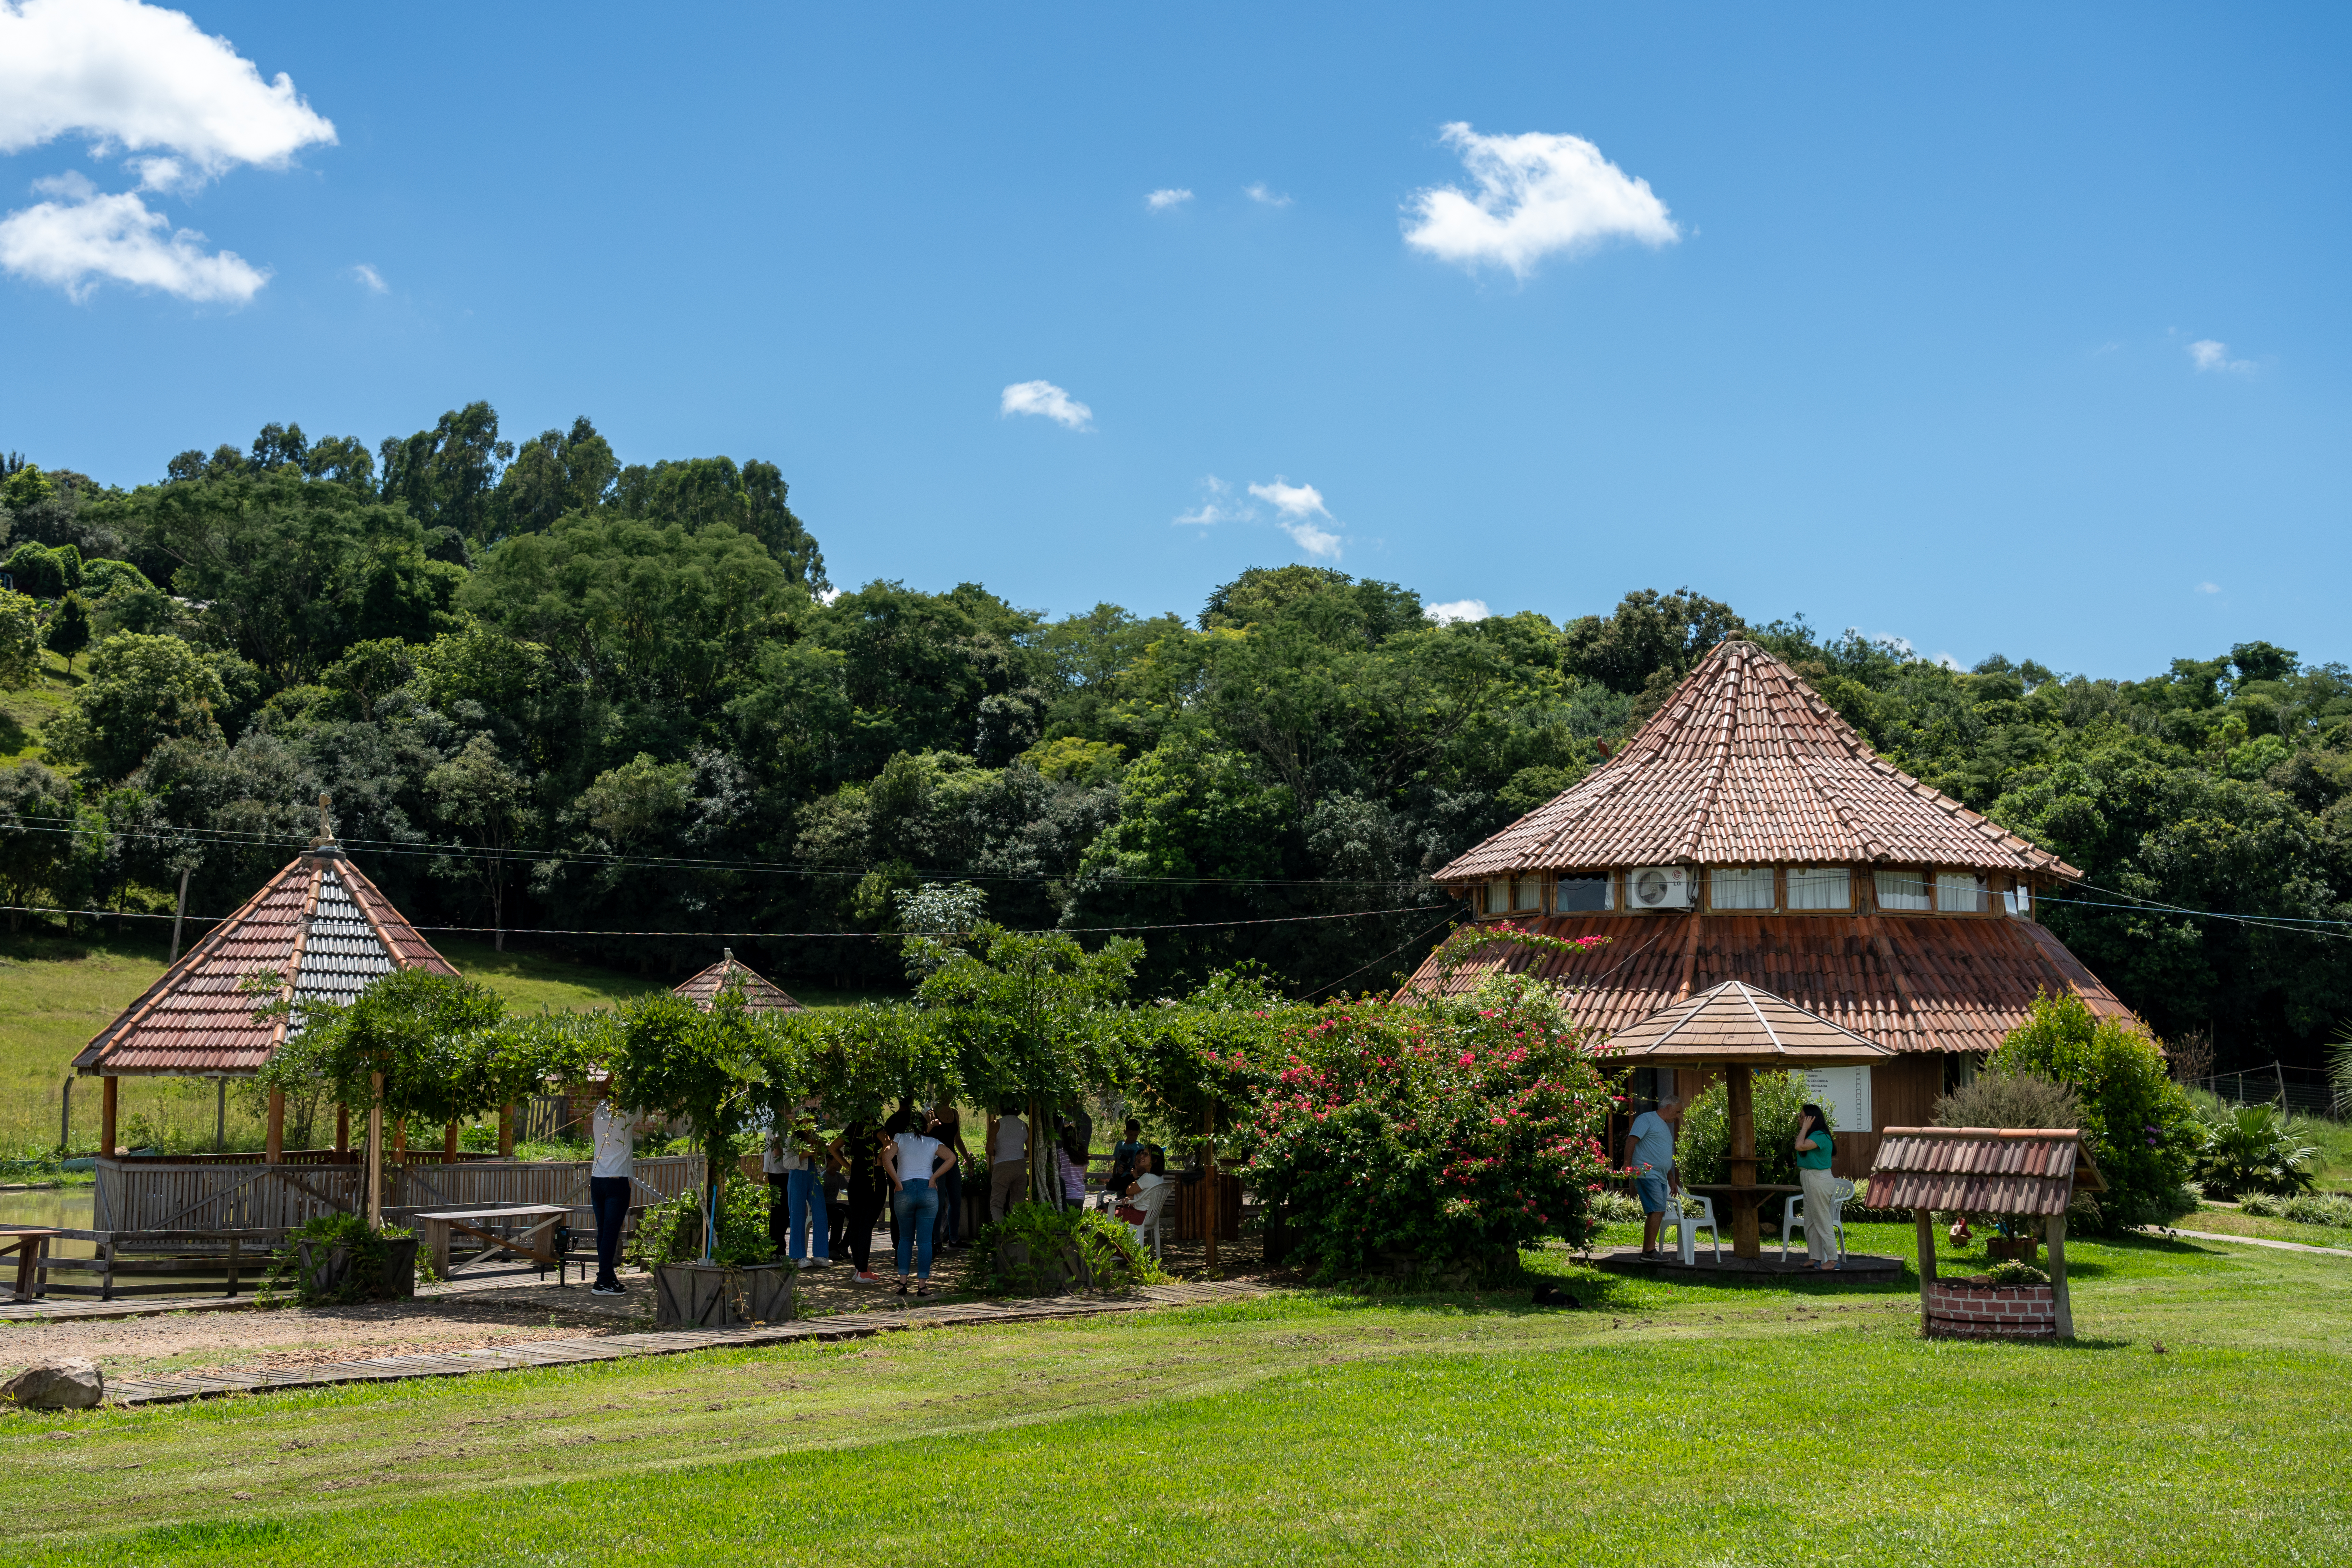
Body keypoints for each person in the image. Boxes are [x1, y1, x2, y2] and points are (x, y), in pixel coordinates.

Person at [882, 1108, 953, 1295]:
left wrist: (897, 1182)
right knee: (925, 1241)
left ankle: (903, 1284)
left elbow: (886, 1157)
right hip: (927, 1190)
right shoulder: (933, 1142)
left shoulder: (900, 1138)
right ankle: (922, 1286)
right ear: (925, 1126)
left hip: (904, 1190)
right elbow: (952, 1158)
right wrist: (934, 1178)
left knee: (905, 1239)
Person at [769, 1103, 831, 1269]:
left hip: (814, 1176)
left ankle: (820, 1254)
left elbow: (823, 1163)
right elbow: (787, 1163)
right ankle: (799, 1256)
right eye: (809, 1121)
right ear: (801, 1121)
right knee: (797, 1215)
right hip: (797, 1177)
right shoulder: (792, 1140)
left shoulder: (816, 1139)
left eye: (815, 1121)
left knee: (821, 1214)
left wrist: (820, 1156)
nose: (812, 1124)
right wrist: (803, 1155)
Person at [587, 1089, 636, 1297]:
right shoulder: (627, 1117)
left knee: (604, 1232)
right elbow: (640, 1099)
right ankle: (603, 1282)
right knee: (610, 1233)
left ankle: (608, 1278)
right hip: (617, 1182)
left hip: (597, 1181)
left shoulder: (598, 1115)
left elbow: (603, 1098)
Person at [1624, 1097, 1684, 1257]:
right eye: (1678, 1112)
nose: (1678, 1116)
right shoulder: (1647, 1119)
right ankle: (1649, 1252)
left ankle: (1648, 1251)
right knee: (1657, 1210)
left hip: (1660, 1176)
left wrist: (1672, 1180)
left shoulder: (1664, 1127)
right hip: (1646, 1173)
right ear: (1669, 1107)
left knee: (1658, 1211)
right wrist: (1627, 1163)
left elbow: (1662, 1157)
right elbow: (1632, 1140)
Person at [835, 1117, 885, 1283]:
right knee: (866, 1225)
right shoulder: (875, 1126)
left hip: (856, 1178)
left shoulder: (853, 1127)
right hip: (873, 1177)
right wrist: (879, 1158)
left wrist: (848, 1166)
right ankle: (863, 1271)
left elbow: (833, 1147)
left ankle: (859, 1269)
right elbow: (890, 1144)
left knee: (857, 1223)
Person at [1793, 1102, 1840, 1270]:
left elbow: (1799, 1146)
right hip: (1809, 1178)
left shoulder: (1820, 1136)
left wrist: (1805, 1127)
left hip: (1819, 1180)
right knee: (1810, 1221)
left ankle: (1833, 1260)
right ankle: (1815, 1257)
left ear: (1811, 1119)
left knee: (1822, 1220)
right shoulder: (1812, 1136)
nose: (1799, 1119)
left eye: (1802, 1117)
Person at [929, 1102, 971, 1250]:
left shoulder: (955, 1113)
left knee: (956, 1200)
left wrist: (968, 1160)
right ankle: (936, 1241)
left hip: (952, 1161)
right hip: (937, 1161)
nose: (947, 1095)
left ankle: (954, 1240)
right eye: (944, 1092)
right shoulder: (931, 1114)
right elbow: (925, 1136)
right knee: (938, 1202)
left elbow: (957, 1139)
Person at [986, 1103, 1028, 1220]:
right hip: (1020, 1166)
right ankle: (1018, 1229)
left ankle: (1000, 1229)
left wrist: (1000, 1152)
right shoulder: (1024, 1125)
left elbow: (989, 1150)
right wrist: (1018, 1153)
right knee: (1018, 1204)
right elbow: (1030, 1151)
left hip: (1002, 1166)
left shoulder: (996, 1124)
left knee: (997, 1203)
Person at [1102, 1118, 1148, 1206]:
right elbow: (1116, 1162)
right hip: (1120, 1178)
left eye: (1136, 1135)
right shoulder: (1120, 1144)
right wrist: (1114, 1176)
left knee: (1129, 1199)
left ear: (1139, 1133)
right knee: (1120, 1200)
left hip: (1132, 1179)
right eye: (1131, 1135)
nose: (1133, 1138)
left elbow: (1143, 1165)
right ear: (1125, 1132)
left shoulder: (1141, 1147)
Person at [1055, 1118, 1088, 1207]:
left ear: (1063, 1135)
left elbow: (1056, 1174)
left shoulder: (1060, 1153)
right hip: (1081, 1195)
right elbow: (1083, 1176)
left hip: (1067, 1195)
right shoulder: (1083, 1153)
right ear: (1079, 1135)